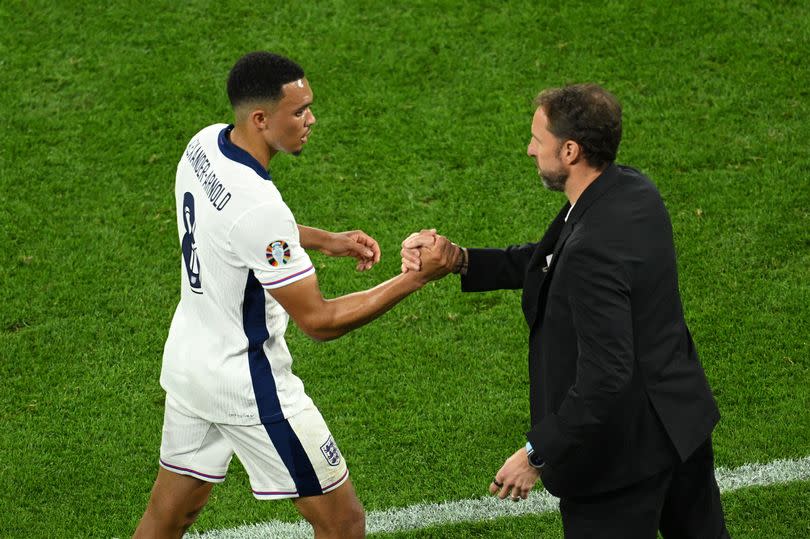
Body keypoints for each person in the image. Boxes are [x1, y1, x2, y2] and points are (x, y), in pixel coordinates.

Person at [134, 51, 442, 539]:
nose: (310, 119)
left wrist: (325, 240)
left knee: (169, 516)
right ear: (261, 119)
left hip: (190, 365)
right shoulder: (259, 208)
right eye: (299, 111)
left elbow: (233, 228)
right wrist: (415, 279)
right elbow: (318, 321)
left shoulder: (204, 146)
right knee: (343, 523)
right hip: (249, 385)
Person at [401, 84, 729, 538]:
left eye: (538, 139)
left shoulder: (592, 248)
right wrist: (461, 259)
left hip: (619, 465)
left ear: (570, 150)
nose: (530, 149)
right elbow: (551, 257)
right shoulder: (632, 190)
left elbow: (606, 375)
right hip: (680, 428)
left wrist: (537, 453)